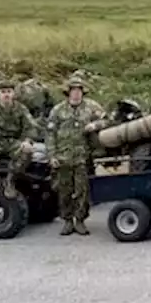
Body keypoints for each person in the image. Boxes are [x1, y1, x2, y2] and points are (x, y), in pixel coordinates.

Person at [46, 75, 108, 235]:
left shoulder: (91, 107)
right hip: (63, 157)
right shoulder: (58, 110)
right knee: (64, 191)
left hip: (82, 157)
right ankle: (67, 220)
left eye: (79, 90)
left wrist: (95, 125)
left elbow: (108, 120)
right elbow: (50, 133)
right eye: (73, 90)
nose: (76, 93)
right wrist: (52, 155)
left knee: (82, 191)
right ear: (68, 92)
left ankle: (80, 220)